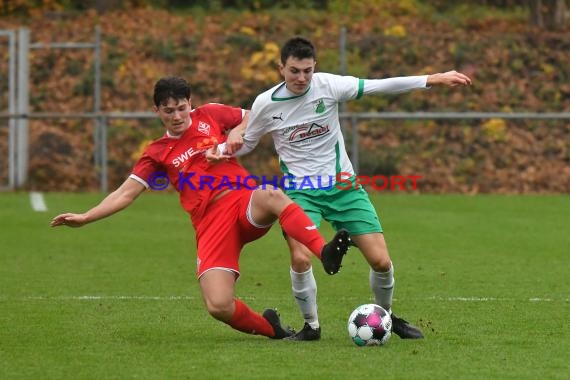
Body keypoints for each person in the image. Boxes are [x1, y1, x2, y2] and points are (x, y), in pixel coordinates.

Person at [50, 75, 350, 340]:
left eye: (182, 108)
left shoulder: (211, 114)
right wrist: (86, 217)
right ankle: (272, 329)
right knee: (218, 306)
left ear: (190, 103)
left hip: (242, 200)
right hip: (210, 224)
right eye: (169, 111)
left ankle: (323, 251)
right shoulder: (156, 153)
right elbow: (125, 194)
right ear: (157, 112)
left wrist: (235, 133)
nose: (177, 116)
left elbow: (256, 116)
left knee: (270, 193)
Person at [220, 37, 472, 341]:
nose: (301, 78)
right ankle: (311, 326)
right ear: (281, 68)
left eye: (307, 71)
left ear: (315, 68)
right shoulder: (266, 103)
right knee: (300, 258)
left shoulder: (328, 86)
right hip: (300, 193)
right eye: (294, 71)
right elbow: (247, 143)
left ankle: (386, 316)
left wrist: (430, 79)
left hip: (344, 188)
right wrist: (224, 148)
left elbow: (380, 85)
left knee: (381, 261)